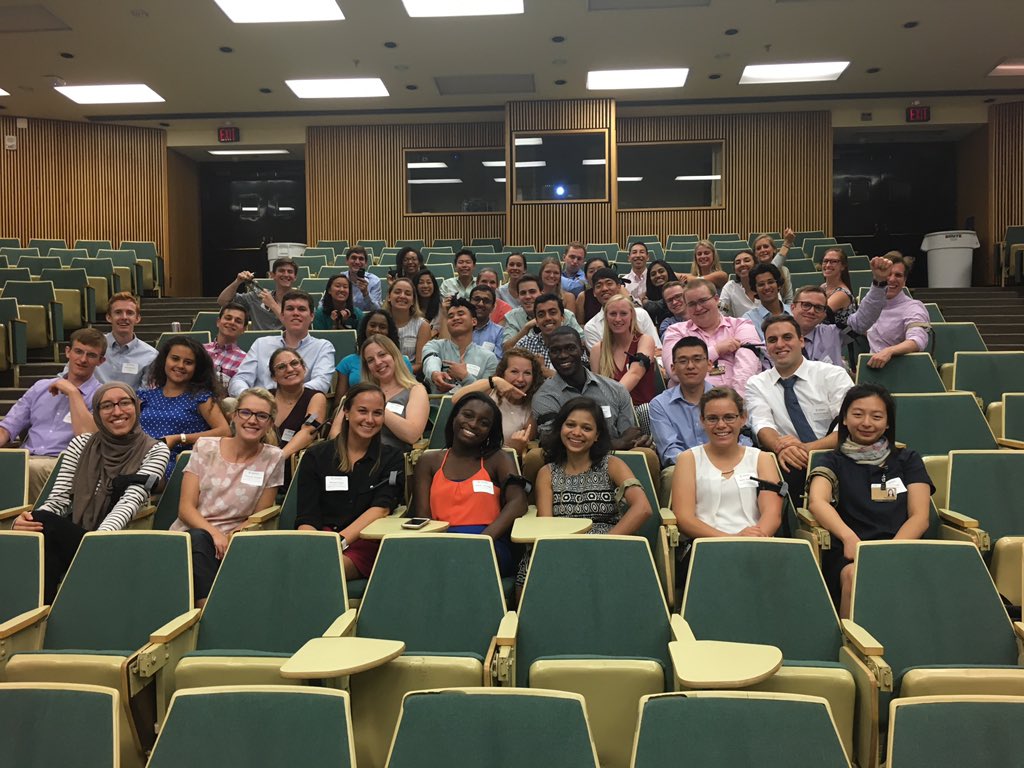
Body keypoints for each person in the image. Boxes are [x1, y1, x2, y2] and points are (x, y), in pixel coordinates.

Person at [12, 384, 170, 601]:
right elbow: (59, 499)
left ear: (136, 407)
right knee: (38, 532)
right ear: (97, 413)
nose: (117, 411)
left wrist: (95, 543)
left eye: (124, 402)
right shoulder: (81, 444)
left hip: (117, 543)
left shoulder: (156, 450)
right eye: (107, 406)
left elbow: (129, 503)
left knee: (44, 537)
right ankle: (40, 616)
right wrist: (27, 521)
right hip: (78, 537)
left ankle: (34, 620)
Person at [807, 383, 931, 617]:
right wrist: (848, 537)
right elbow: (817, 501)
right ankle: (851, 646)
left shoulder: (907, 459)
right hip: (851, 552)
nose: (866, 423)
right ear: (844, 419)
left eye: (876, 416)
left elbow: (920, 517)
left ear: (888, 423)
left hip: (903, 546)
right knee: (856, 575)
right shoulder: (831, 460)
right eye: (857, 414)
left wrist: (887, 554)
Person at [173, 387, 284, 601]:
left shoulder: (273, 458)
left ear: (270, 423)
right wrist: (215, 535)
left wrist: (231, 537)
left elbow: (259, 517)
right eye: (246, 412)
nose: (253, 420)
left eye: (262, 416)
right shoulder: (205, 447)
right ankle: (206, 609)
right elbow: (185, 509)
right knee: (198, 539)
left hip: (237, 539)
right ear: (234, 416)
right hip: (192, 532)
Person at [296, 382, 405, 580]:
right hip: (322, 536)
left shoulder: (393, 458)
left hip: (365, 541)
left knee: (322, 571)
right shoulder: (316, 456)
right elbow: (307, 515)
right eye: (362, 411)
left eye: (377, 413)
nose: (370, 420)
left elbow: (381, 508)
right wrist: (312, 547)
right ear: (346, 412)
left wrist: (340, 542)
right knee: (298, 566)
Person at [414, 392, 528, 576]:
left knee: (464, 563)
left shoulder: (498, 459)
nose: (473, 424)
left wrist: (483, 540)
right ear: (454, 416)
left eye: (484, 423)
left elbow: (518, 502)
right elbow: (422, 516)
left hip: (489, 543)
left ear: (491, 430)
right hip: (440, 541)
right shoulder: (429, 461)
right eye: (467, 415)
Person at [528, 327, 657, 483]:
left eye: (570, 348)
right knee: (534, 457)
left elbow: (629, 436)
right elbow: (552, 441)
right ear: (549, 354)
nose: (563, 355)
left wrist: (628, 442)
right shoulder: (544, 396)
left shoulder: (615, 389)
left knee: (646, 454)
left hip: (613, 462)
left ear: (582, 349)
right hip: (565, 464)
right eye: (555, 351)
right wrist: (619, 443)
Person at [745, 314, 853, 494]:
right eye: (772, 340)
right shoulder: (756, 383)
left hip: (836, 455)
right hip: (790, 462)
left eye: (787, 337)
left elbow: (849, 426)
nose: (780, 344)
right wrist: (780, 447)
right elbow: (762, 425)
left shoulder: (833, 375)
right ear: (766, 347)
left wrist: (805, 449)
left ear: (801, 341)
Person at [0, 328, 107, 498]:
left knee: (26, 471)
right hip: (27, 458)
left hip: (65, 465)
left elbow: (87, 437)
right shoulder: (40, 387)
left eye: (91, 355)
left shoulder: (103, 396)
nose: (83, 359)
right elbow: (7, 427)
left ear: (101, 361)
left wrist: (73, 393)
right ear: (68, 352)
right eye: (78, 351)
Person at [671, 386, 783, 544]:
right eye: (712, 418)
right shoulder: (687, 459)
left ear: (743, 418)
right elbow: (684, 519)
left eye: (729, 417)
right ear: (702, 421)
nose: (721, 425)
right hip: (705, 545)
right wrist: (732, 540)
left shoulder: (762, 459)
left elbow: (772, 514)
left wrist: (753, 541)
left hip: (756, 544)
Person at [138, 336, 230, 477]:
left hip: (176, 462)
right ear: (164, 360)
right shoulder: (145, 396)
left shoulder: (201, 397)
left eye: (188, 362)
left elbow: (224, 431)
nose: (180, 365)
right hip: (140, 456)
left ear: (196, 368)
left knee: (143, 476)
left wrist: (178, 438)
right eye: (175, 359)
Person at [330, 334, 428, 453]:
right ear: (367, 367)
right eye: (370, 360)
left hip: (391, 459)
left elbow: (412, 435)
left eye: (382, 355)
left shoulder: (415, 390)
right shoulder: (360, 392)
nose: (378, 362)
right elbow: (335, 433)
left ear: (394, 356)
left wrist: (377, 408)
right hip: (353, 455)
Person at [661, 279, 761, 395]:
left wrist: (735, 401)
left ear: (716, 299)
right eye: (692, 304)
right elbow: (675, 373)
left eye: (703, 301)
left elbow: (747, 367)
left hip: (741, 399)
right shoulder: (675, 332)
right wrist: (717, 350)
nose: (698, 308)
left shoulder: (741, 325)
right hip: (692, 404)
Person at [228, 290, 336, 396]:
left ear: (312, 316)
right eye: (290, 309)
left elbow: (321, 383)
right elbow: (240, 379)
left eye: (301, 309)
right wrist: (250, 397)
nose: (295, 313)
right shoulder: (261, 344)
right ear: (282, 315)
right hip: (260, 406)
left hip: (299, 405)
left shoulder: (323, 347)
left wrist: (285, 396)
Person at [791, 256, 892, 368]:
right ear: (792, 307)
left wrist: (879, 282)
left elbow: (863, 319)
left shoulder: (833, 333)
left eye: (818, 308)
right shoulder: (777, 336)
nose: (811, 311)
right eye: (806, 305)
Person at [649, 337, 714, 503]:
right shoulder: (660, 404)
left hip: (725, 463)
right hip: (684, 468)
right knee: (672, 473)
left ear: (709, 364)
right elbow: (670, 451)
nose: (690, 366)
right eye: (683, 361)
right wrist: (705, 466)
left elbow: (742, 439)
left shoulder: (726, 399)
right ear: (673, 368)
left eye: (697, 359)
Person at [452, 347, 542, 457]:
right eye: (514, 371)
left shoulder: (532, 408)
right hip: (467, 453)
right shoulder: (489, 388)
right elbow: (456, 400)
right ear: (503, 373)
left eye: (527, 373)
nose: (520, 379)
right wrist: (493, 381)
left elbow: (517, 453)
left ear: (534, 377)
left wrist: (515, 448)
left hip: (498, 461)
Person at [268, 347, 328, 485]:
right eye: (281, 367)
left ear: (304, 368)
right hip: (259, 463)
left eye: (294, 363)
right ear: (273, 376)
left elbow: (308, 432)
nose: (289, 369)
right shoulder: (265, 397)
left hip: (292, 467)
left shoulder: (316, 397)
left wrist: (279, 458)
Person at [866, 252, 930, 369]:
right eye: (888, 274)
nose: (892, 279)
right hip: (872, 369)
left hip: (902, 371)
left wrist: (889, 351)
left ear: (904, 280)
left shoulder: (913, 307)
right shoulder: (870, 304)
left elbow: (917, 340)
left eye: (898, 275)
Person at [590, 295, 656, 407]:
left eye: (623, 314)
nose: (618, 319)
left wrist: (611, 400)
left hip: (642, 410)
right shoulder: (597, 350)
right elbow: (598, 389)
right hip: (614, 412)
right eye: (612, 314)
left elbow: (635, 373)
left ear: (632, 316)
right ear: (606, 317)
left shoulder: (644, 340)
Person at [423, 297, 499, 394]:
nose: (455, 318)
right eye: (450, 316)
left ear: (474, 321)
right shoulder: (434, 345)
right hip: (437, 407)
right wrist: (435, 373)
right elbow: (431, 360)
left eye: (461, 314)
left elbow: (487, 393)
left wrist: (465, 377)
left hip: (473, 408)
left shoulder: (488, 357)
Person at [88, 292, 158, 389]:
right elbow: (68, 375)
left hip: (131, 403)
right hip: (92, 402)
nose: (124, 317)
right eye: (118, 312)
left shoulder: (151, 355)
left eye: (129, 313)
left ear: (137, 318)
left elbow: (146, 395)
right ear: (108, 317)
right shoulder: (91, 346)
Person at [582, 267, 661, 352]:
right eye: (599, 286)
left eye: (609, 283)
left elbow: (658, 351)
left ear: (619, 287)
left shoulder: (641, 315)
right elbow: (602, 360)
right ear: (594, 292)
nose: (604, 289)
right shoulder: (591, 327)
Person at [335, 310, 412, 397]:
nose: (376, 330)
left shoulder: (403, 361)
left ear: (389, 332)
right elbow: (338, 403)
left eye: (382, 327)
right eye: (372, 325)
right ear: (365, 328)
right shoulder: (347, 362)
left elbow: (410, 394)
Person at [503, 274, 583, 350]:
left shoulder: (566, 314)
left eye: (532, 292)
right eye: (523, 293)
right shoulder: (512, 316)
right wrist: (526, 329)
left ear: (542, 293)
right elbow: (507, 349)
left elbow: (581, 341)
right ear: (518, 297)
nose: (527, 296)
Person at [217, 257, 297, 331]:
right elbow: (222, 301)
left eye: (290, 272)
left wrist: (272, 304)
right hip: (259, 344)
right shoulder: (258, 296)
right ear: (272, 275)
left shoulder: (300, 302)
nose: (286, 274)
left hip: (286, 345)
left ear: (295, 277)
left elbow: (294, 327)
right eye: (281, 271)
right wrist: (237, 281)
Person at [517, 292, 590, 373]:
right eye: (541, 315)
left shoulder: (573, 342)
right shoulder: (525, 344)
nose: (547, 318)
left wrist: (543, 370)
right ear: (536, 321)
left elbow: (580, 377)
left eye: (552, 313)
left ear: (562, 318)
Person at [386, 276, 430, 376]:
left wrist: (396, 373)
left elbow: (420, 364)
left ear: (413, 301)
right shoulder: (381, 322)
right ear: (389, 297)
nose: (402, 296)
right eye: (397, 292)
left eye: (408, 293)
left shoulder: (422, 325)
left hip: (409, 377)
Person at [743, 262, 791, 342]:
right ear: (755, 290)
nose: (767, 287)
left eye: (770, 282)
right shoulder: (749, 319)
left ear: (778, 285)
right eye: (761, 284)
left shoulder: (794, 312)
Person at [204, 302, 248, 383]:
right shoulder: (201, 350)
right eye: (228, 318)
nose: (232, 322)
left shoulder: (245, 361)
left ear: (244, 329)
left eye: (238, 321)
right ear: (218, 322)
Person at [752, 230, 796, 303]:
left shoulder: (784, 270)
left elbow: (789, 299)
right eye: (758, 248)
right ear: (755, 254)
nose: (762, 250)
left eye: (766, 246)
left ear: (774, 250)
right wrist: (787, 244)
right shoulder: (753, 272)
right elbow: (771, 268)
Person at [718, 250, 758, 318]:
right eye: (738, 262)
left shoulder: (766, 284)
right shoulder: (730, 287)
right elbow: (721, 312)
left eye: (747, 260)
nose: (742, 264)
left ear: (755, 264)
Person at [469, 284, 505, 359]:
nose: (481, 304)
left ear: (492, 307)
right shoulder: (459, 327)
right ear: (469, 303)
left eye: (486, 301)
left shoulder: (499, 332)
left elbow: (497, 362)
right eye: (476, 299)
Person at [820, 247, 855, 326]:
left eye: (834, 261)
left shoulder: (842, 294)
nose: (828, 265)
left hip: (838, 336)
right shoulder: (823, 287)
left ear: (843, 266)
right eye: (825, 261)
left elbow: (818, 315)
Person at [642, 259, 679, 329]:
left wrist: (645, 302)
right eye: (653, 274)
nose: (658, 275)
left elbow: (657, 306)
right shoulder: (648, 296)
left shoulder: (680, 290)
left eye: (661, 271)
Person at [574, 255, 611, 325]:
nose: (596, 273)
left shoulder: (619, 291)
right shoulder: (582, 297)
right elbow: (580, 324)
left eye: (600, 269)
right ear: (586, 277)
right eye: (591, 271)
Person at [345, 246, 383, 312]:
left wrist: (366, 294)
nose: (357, 262)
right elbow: (323, 302)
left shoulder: (375, 281)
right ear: (347, 261)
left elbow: (377, 310)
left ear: (365, 263)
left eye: (361, 259)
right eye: (353, 258)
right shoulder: (340, 279)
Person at [413, 268, 443, 334]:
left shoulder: (442, 305)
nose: (425, 286)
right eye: (421, 283)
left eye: (429, 282)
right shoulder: (410, 306)